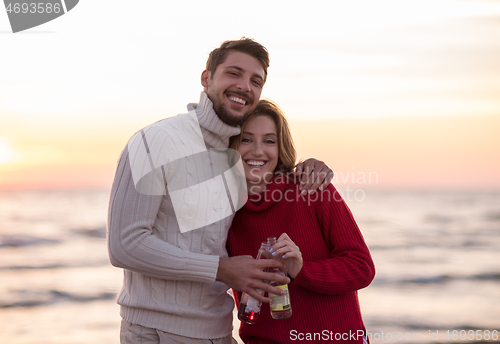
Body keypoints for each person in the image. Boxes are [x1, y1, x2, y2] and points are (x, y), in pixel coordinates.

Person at [107, 38, 334, 344]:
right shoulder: (156, 140)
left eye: (256, 81)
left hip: (218, 329)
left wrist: (308, 166)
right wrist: (221, 268)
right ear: (206, 78)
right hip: (155, 332)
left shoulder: (233, 154)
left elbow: (268, 172)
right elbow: (125, 244)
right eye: (234, 73)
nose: (244, 86)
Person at [227, 99, 375, 344]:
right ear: (231, 144)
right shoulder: (224, 209)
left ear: (280, 147)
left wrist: (301, 271)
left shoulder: (312, 188)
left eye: (269, 141)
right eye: (246, 139)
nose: (257, 150)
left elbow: (362, 268)